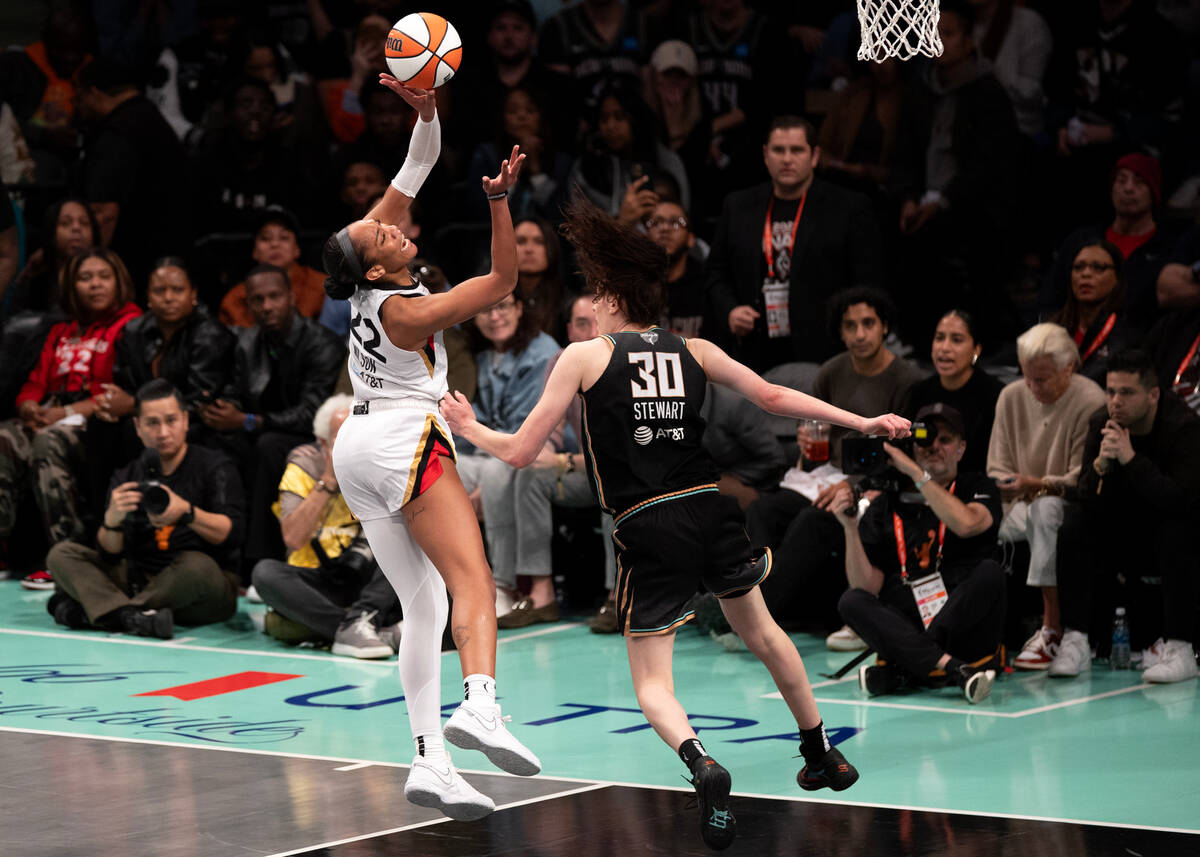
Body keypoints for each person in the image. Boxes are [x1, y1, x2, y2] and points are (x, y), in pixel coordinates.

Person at [439, 193, 910, 850]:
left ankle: (702, 763)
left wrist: (469, 427)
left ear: (609, 297)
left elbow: (521, 453)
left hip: (646, 524)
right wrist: (863, 421)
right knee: (769, 638)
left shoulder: (582, 356)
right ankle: (820, 751)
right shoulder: (695, 348)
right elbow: (773, 396)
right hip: (710, 510)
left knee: (653, 682)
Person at [320, 76, 539, 821]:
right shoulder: (408, 310)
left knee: (424, 601)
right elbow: (506, 277)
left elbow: (416, 168)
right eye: (379, 232)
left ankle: (430, 760)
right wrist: (502, 202)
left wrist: (428, 111)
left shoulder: (367, 271)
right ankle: (480, 704)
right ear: (375, 267)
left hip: (358, 443)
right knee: (473, 578)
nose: (389, 223)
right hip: (402, 438)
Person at [745, 287, 920, 644]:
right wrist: (808, 447)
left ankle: (755, 618)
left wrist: (853, 486)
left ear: (884, 326)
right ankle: (757, 607)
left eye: (868, 323)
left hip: (875, 483)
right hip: (826, 476)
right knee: (764, 511)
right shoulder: (831, 372)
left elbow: (906, 456)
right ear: (839, 332)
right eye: (850, 326)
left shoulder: (906, 380)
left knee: (815, 520)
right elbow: (817, 444)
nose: (859, 334)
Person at [45, 380, 243, 640]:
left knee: (198, 566)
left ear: (185, 421)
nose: (162, 432)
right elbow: (110, 553)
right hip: (139, 578)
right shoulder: (127, 474)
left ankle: (104, 612)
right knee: (62, 554)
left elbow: (232, 533)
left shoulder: (214, 466)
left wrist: (188, 512)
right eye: (152, 423)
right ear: (138, 428)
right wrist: (112, 521)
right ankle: (132, 617)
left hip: (199, 587)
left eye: (170, 421)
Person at [833, 403, 1004, 703]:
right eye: (925, 438)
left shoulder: (977, 485)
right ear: (913, 444)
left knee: (990, 573)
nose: (934, 446)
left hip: (961, 619)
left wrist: (915, 472)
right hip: (910, 611)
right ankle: (950, 667)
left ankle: (908, 667)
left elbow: (966, 524)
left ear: (961, 449)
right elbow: (867, 585)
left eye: (945, 439)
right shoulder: (886, 501)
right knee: (851, 599)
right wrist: (849, 528)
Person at [1049, 350, 1200, 683]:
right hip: (1119, 530)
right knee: (1074, 521)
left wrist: (1131, 460)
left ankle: (1181, 648)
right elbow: (1087, 496)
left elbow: (1182, 500)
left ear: (1153, 395)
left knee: (1179, 528)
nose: (1115, 402)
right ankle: (1076, 639)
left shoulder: (1183, 427)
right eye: (1111, 391)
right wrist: (1102, 464)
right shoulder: (1100, 422)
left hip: (1167, 533)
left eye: (1127, 393)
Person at [0, 248, 141, 578]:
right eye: (85, 278)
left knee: (48, 442)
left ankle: (67, 555)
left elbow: (120, 392)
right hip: (51, 415)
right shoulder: (59, 331)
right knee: (3, 438)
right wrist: (29, 407)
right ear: (71, 286)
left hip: (96, 423)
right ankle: (3, 552)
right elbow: (34, 383)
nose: (95, 285)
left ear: (118, 282)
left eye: (103, 277)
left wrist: (64, 412)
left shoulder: (131, 326)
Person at [704, 115, 883, 372]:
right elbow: (715, 272)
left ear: (814, 156)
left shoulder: (848, 207)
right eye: (779, 150)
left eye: (796, 150)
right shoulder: (738, 205)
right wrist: (730, 310)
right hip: (754, 347)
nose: (787, 159)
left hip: (824, 350)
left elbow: (867, 282)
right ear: (766, 155)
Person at [890, 0, 1021, 349]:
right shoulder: (920, 88)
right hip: (922, 199)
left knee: (967, 243)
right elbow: (904, 152)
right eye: (932, 32)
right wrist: (906, 197)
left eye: (947, 33)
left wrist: (944, 200)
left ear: (968, 40)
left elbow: (990, 165)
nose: (938, 40)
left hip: (973, 204)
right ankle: (912, 339)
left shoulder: (989, 91)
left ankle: (982, 343)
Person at [200, 263, 343, 578]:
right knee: (210, 443)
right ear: (248, 304)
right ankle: (216, 557)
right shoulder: (247, 343)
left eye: (274, 297)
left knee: (268, 446)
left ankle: (257, 560)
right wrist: (222, 409)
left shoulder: (322, 343)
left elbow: (310, 413)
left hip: (304, 436)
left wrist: (248, 420)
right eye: (258, 300)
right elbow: (237, 390)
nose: (267, 306)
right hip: (259, 428)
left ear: (292, 297)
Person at [987, 322, 1106, 669]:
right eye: (1027, 376)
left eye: (1042, 378)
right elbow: (996, 466)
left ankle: (1052, 628)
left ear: (1068, 367)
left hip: (1069, 507)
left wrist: (1034, 483)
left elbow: (1080, 478)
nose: (1032, 386)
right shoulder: (1010, 396)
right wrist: (1014, 484)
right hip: (1017, 502)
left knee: (1046, 509)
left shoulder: (1090, 400)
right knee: (972, 520)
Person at [252, 394, 402, 659]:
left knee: (407, 541)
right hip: (316, 582)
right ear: (323, 444)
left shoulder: (379, 465)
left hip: (365, 583)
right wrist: (329, 481)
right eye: (341, 438)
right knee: (265, 573)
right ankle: (360, 628)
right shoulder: (303, 466)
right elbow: (293, 538)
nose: (351, 446)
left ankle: (357, 623)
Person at [497, 293, 614, 629]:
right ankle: (541, 593)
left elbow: (618, 454)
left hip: (624, 475)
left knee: (611, 481)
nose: (591, 331)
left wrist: (564, 463)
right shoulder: (560, 362)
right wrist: (544, 452)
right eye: (581, 323)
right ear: (569, 331)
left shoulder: (622, 360)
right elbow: (550, 426)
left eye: (596, 321)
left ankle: (617, 595)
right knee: (531, 474)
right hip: (586, 470)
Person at [458, 291, 561, 617]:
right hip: (489, 451)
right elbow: (479, 423)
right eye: (485, 309)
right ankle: (445, 586)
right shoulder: (485, 355)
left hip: (536, 454)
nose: (494, 316)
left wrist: (481, 489)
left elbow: (524, 436)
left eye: (501, 306)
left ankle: (501, 585)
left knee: (493, 475)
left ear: (519, 308)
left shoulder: (543, 354)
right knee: (442, 468)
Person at [75, 57, 191, 284]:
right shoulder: (151, 119)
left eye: (79, 96)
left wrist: (89, 271)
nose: (76, 105)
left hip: (135, 265)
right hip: (165, 258)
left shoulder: (118, 134)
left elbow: (103, 212)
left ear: (94, 93)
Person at [1041, 154, 1177, 332]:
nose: (1128, 189)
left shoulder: (1169, 248)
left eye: (1139, 181)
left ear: (1154, 191)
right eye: (1121, 180)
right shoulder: (1081, 241)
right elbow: (1051, 298)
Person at [906, 309, 1004, 475]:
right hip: (924, 483)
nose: (944, 348)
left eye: (956, 340)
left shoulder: (995, 395)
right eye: (939, 338)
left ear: (976, 350)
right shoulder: (919, 392)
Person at [218, 207, 328, 327]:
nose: (275, 244)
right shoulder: (235, 300)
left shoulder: (324, 289)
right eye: (265, 238)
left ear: (297, 249)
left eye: (284, 237)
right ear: (254, 251)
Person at [1049, 240, 1136, 383]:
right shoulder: (1053, 327)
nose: (1086, 274)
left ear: (1117, 278)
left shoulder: (1127, 337)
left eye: (1098, 267)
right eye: (1078, 267)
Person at [649, 199, 708, 339]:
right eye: (656, 222)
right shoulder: (634, 284)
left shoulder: (707, 284)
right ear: (646, 235)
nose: (664, 228)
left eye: (676, 222)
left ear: (691, 239)